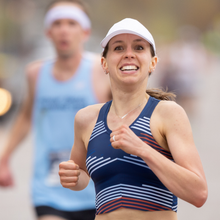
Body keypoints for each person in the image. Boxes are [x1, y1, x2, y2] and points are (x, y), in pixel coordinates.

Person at [59, 18, 208, 220]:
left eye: (138, 47)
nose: (129, 54)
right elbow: (83, 176)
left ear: (152, 63)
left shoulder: (168, 114)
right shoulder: (86, 118)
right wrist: (73, 178)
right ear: (104, 63)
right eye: (118, 48)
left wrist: (143, 149)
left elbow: (198, 193)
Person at [0, 0, 110, 220]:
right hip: (49, 188)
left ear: (85, 31)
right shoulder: (35, 73)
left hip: (97, 187)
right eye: (57, 23)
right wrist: (4, 158)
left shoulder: (102, 70)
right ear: (48, 32)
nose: (64, 30)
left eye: (72, 23)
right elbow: (25, 117)